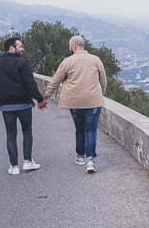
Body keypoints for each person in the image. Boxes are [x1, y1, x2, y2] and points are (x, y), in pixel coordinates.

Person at [43, 35, 107, 174]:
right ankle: (90, 160)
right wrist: (101, 92)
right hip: (93, 101)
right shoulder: (96, 60)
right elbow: (103, 80)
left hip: (75, 102)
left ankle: (80, 156)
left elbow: (55, 81)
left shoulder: (67, 61)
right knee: (91, 130)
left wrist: (45, 96)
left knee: (80, 129)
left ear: (72, 47)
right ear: (83, 45)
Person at [0, 37, 47, 175]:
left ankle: (13, 167)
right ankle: (27, 162)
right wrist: (40, 99)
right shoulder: (21, 63)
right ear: (12, 48)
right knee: (27, 132)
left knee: (11, 135)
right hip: (24, 105)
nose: (22, 49)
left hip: (6, 107)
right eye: (20, 46)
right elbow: (30, 83)